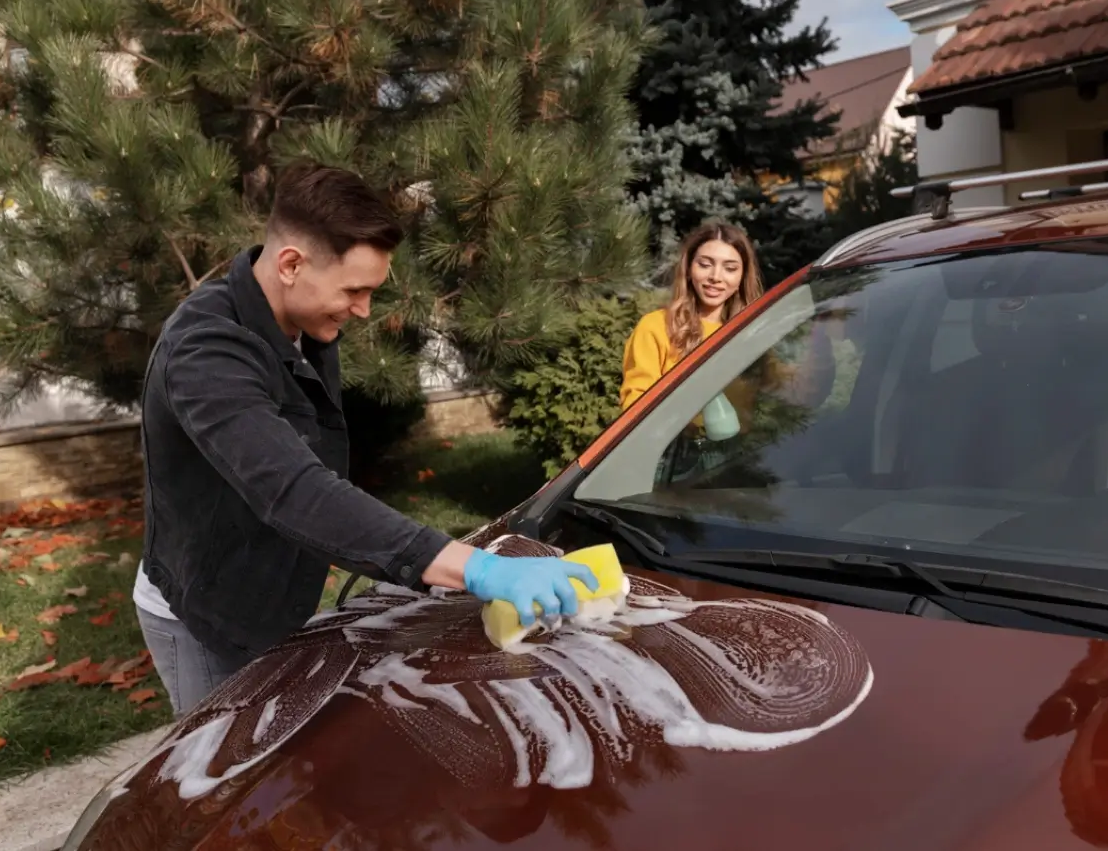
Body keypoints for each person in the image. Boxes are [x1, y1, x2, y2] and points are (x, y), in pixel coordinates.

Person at [132, 162, 597, 716]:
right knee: (224, 783)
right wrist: (478, 569)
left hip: (274, 591)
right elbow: (293, 489)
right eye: (354, 290)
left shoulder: (303, 319)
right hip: (209, 615)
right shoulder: (205, 351)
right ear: (290, 264)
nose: (364, 310)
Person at [620, 221, 765, 412]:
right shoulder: (656, 327)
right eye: (705, 265)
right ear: (688, 269)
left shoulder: (751, 334)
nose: (716, 276)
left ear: (742, 277)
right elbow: (635, 408)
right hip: (675, 441)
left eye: (730, 269)